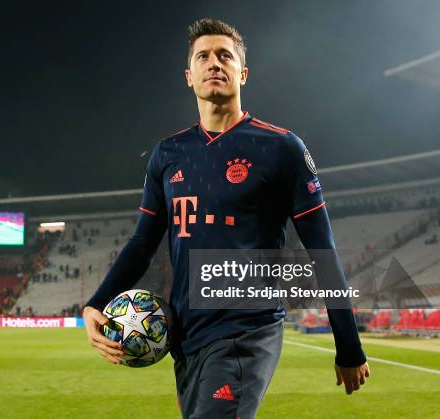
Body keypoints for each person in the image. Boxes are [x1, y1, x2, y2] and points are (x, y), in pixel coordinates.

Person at [83, 18, 370, 418]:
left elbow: (323, 250)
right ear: (189, 75)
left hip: (247, 330)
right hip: (186, 338)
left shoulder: (281, 148)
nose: (214, 63)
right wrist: (95, 303)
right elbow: (142, 243)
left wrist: (349, 345)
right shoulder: (168, 154)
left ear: (243, 73)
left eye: (225, 56)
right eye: (203, 56)